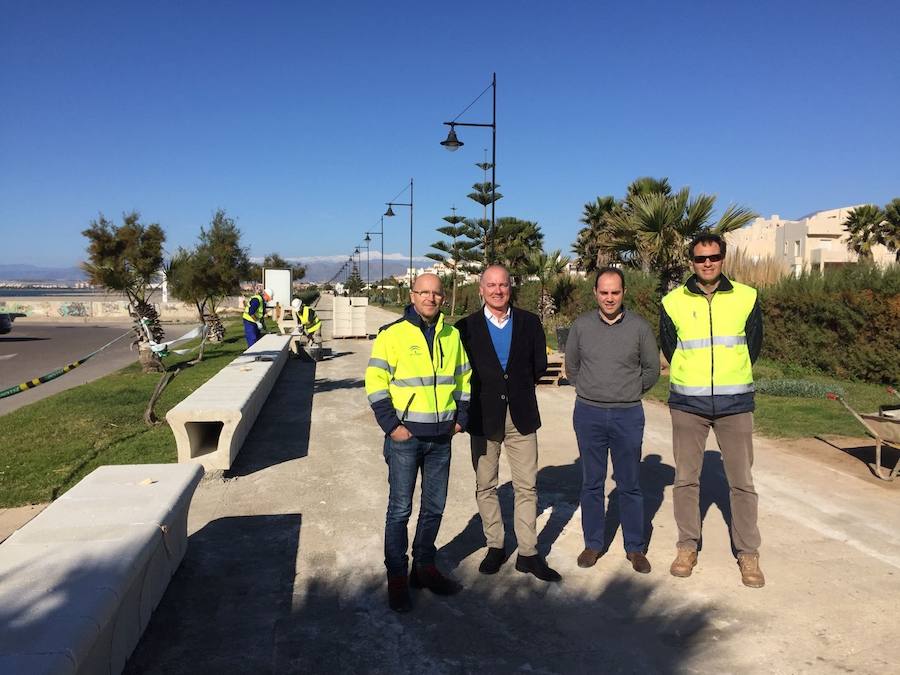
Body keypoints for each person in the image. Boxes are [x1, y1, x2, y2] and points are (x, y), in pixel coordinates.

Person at [660, 232, 765, 588]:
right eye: (701, 258)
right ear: (692, 261)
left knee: (742, 483)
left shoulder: (747, 298)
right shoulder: (672, 301)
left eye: (714, 257)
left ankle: (748, 553)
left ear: (723, 258)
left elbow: (753, 346)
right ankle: (687, 546)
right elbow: (670, 346)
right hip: (689, 404)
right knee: (686, 479)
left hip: (735, 404)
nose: (708, 263)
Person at [364, 273, 472, 612]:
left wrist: (461, 418)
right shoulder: (392, 335)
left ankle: (423, 567)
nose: (430, 298)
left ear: (444, 298)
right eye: (423, 292)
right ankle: (396, 577)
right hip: (405, 439)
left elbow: (464, 378)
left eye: (436, 293)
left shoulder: (453, 335)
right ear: (412, 296)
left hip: (442, 439)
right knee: (400, 510)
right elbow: (376, 382)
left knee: (435, 507)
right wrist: (392, 426)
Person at [456, 265, 560, 582]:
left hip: (522, 416)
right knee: (485, 485)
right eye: (491, 285)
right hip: (484, 418)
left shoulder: (529, 323)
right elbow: (461, 371)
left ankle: (528, 553)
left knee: (526, 486)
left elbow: (538, 366)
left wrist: (514, 387)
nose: (498, 290)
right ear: (481, 289)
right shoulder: (466, 328)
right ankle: (496, 545)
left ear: (510, 288)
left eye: (503, 285)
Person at [565, 267, 660, 574]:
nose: (609, 298)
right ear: (595, 293)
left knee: (630, 484)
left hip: (628, 415)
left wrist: (628, 392)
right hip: (589, 413)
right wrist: (592, 391)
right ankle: (593, 543)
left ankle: (635, 547)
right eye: (604, 292)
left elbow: (652, 370)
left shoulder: (640, 328)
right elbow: (572, 367)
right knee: (592, 483)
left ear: (624, 293)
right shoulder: (580, 327)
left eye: (615, 292)